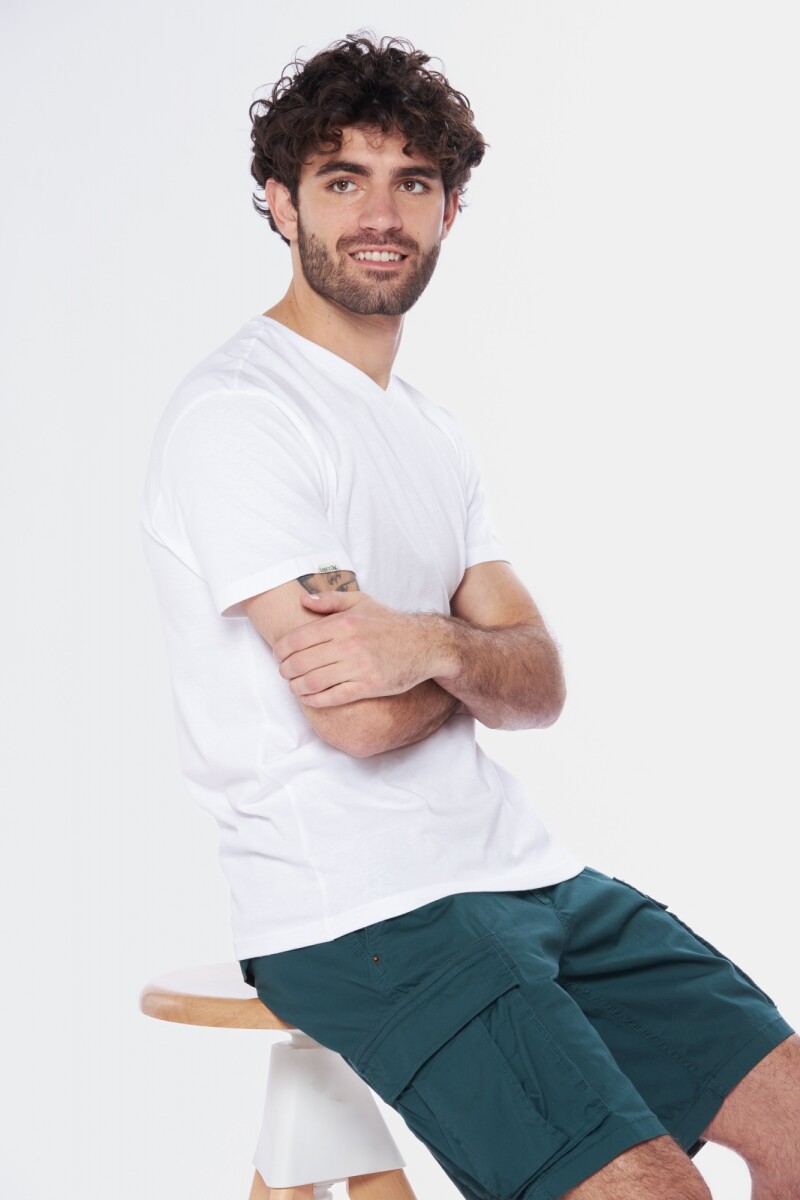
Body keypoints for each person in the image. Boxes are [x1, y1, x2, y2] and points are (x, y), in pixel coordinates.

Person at [139, 33, 798, 1200]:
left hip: (525, 874)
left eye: (413, 182)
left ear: (448, 210)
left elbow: (539, 681)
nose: (379, 214)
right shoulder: (242, 418)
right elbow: (356, 719)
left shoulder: (428, 432)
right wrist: (470, 667)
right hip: (362, 914)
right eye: (341, 179)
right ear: (280, 203)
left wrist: (430, 645)